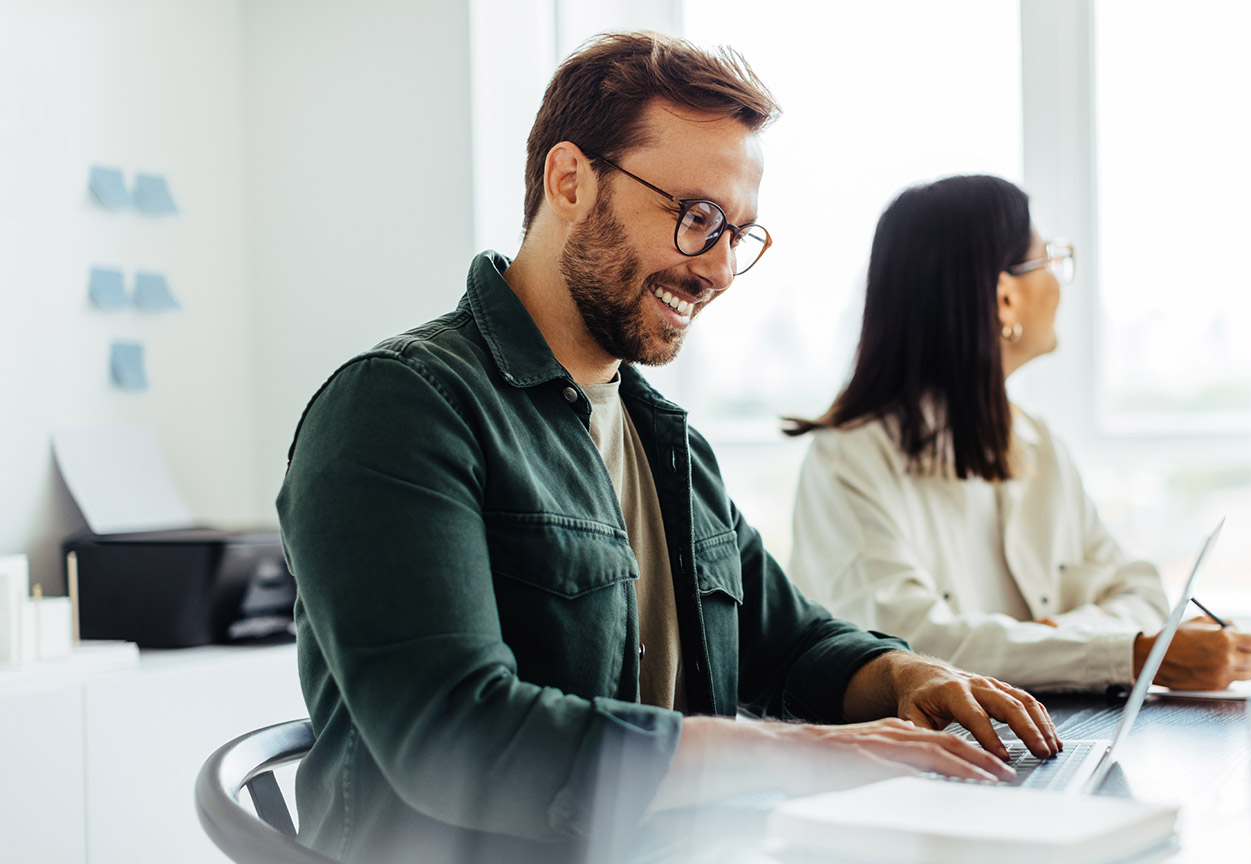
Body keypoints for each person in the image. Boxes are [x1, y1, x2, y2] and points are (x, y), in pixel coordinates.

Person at [276, 33, 1062, 864]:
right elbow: (458, 741)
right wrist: (804, 756)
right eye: (696, 219)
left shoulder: (664, 438)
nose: (719, 270)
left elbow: (791, 644)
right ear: (570, 181)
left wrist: (909, 678)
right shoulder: (400, 407)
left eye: (738, 235)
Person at [785, 175, 1251, 694]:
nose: (1059, 284)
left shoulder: (1038, 442)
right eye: (1049, 262)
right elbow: (909, 646)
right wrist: (1125, 653)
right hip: (915, 757)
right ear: (1006, 298)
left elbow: (1140, 590)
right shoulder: (848, 459)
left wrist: (1053, 638)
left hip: (1051, 734)